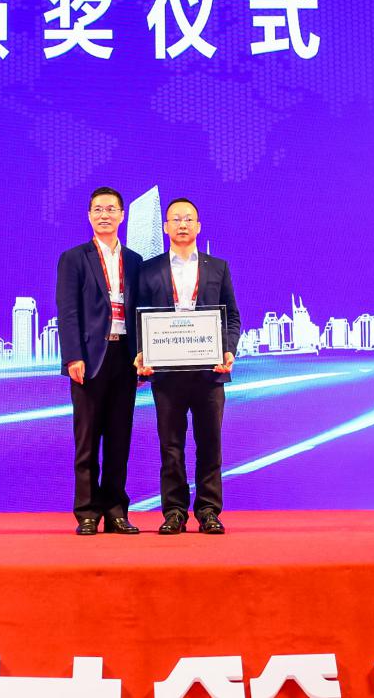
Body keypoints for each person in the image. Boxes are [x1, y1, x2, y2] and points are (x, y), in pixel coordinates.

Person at [135, 198, 240, 535]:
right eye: (176, 219)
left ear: (198, 226)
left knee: (210, 445)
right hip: (166, 374)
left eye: (189, 218)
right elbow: (140, 318)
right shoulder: (148, 270)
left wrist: (228, 350)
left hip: (210, 373)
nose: (182, 224)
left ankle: (208, 511)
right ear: (166, 226)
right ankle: (174, 512)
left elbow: (232, 316)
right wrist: (141, 354)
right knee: (171, 447)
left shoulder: (218, 267)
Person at [56, 187, 144, 536]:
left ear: (122, 215)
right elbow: (68, 311)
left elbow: (141, 312)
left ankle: (116, 510)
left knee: (120, 439)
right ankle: (87, 512)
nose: (104, 215)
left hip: (125, 357)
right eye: (97, 209)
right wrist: (72, 356)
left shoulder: (135, 261)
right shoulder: (74, 258)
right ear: (89, 216)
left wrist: (144, 356)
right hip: (90, 359)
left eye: (110, 209)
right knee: (88, 440)